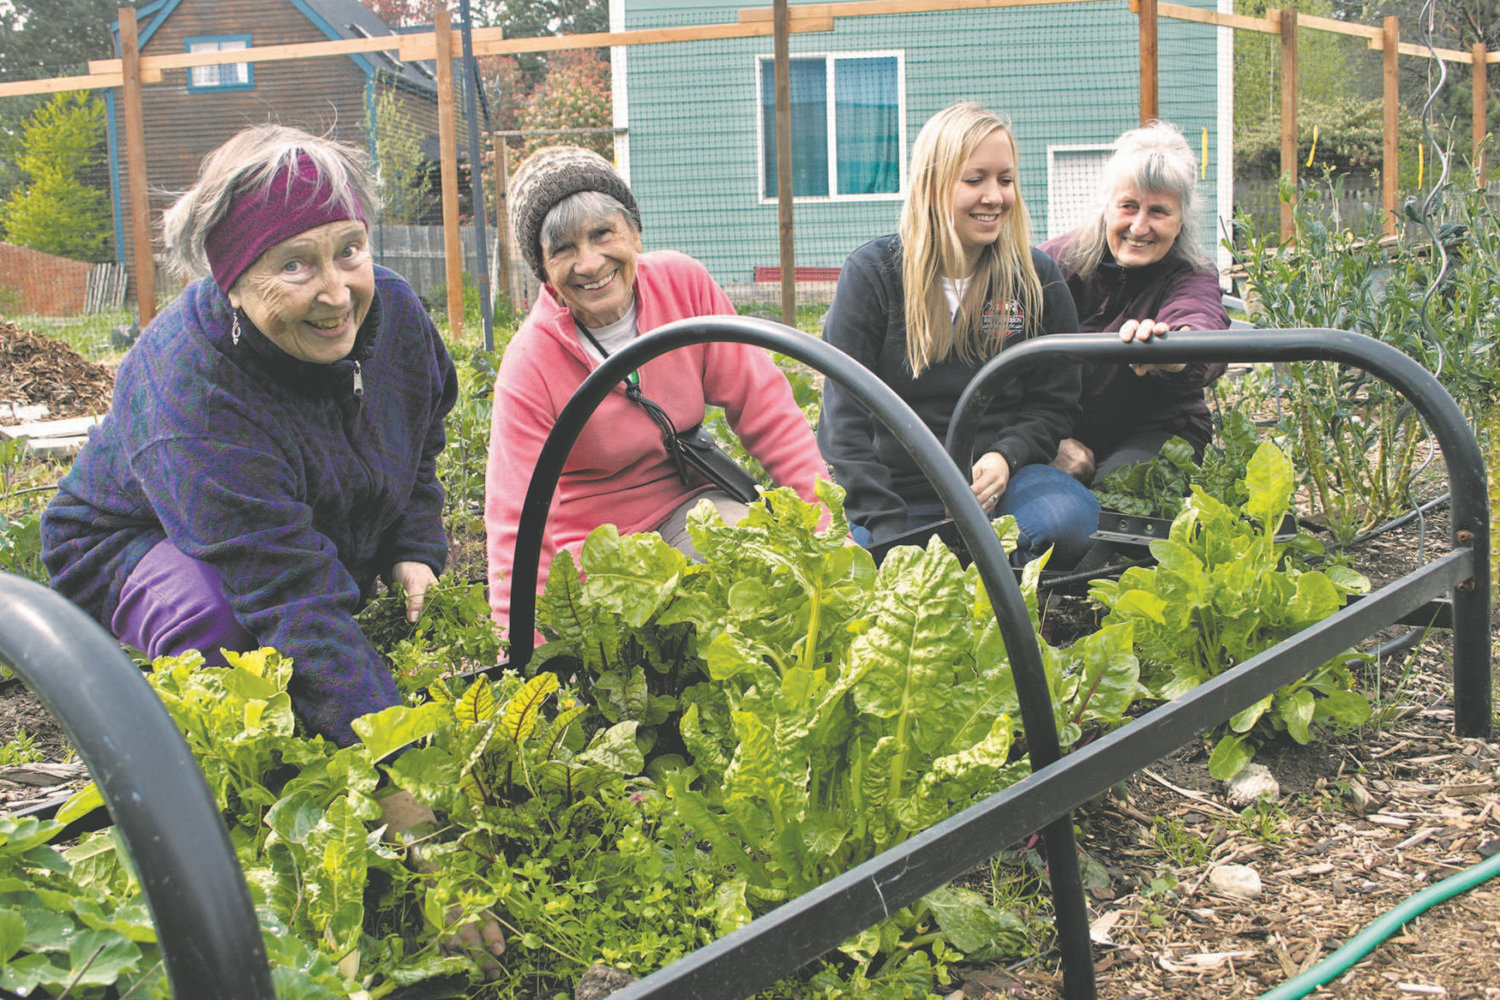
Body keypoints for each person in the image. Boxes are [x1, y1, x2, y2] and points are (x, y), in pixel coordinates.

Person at [39, 126, 506, 971]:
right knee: (226, 625)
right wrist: (406, 798)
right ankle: (247, 809)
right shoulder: (191, 387)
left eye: (349, 251)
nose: (336, 293)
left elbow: (425, 428)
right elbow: (289, 592)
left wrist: (412, 543)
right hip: (130, 540)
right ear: (232, 279)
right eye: (294, 265)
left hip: (299, 516)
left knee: (347, 636)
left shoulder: (391, 312)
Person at [484, 146, 831, 632]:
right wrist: (522, 647)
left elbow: (766, 408)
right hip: (595, 547)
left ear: (634, 232)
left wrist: (827, 530)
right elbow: (515, 518)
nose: (589, 263)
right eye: (562, 248)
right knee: (648, 641)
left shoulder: (683, 285)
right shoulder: (530, 364)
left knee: (762, 570)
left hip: (691, 507)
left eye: (603, 233)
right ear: (543, 270)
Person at [816, 102, 1098, 567]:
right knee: (869, 559)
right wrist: (890, 536)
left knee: (1064, 522)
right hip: (901, 485)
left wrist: (1006, 457)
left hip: (1007, 484)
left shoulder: (1035, 277)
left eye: (1005, 180)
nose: (995, 196)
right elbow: (843, 424)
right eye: (975, 179)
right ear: (933, 183)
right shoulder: (873, 274)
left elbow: (1054, 402)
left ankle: (1001, 587)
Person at [1040, 120, 1230, 486]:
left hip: (1157, 431)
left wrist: (1169, 349)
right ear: (1107, 206)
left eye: (1158, 211)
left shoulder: (1192, 274)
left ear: (1182, 220)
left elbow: (1200, 321)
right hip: (1057, 431)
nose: (1139, 227)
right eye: (1128, 206)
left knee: (1119, 495)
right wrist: (1042, 440)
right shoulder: (1053, 266)